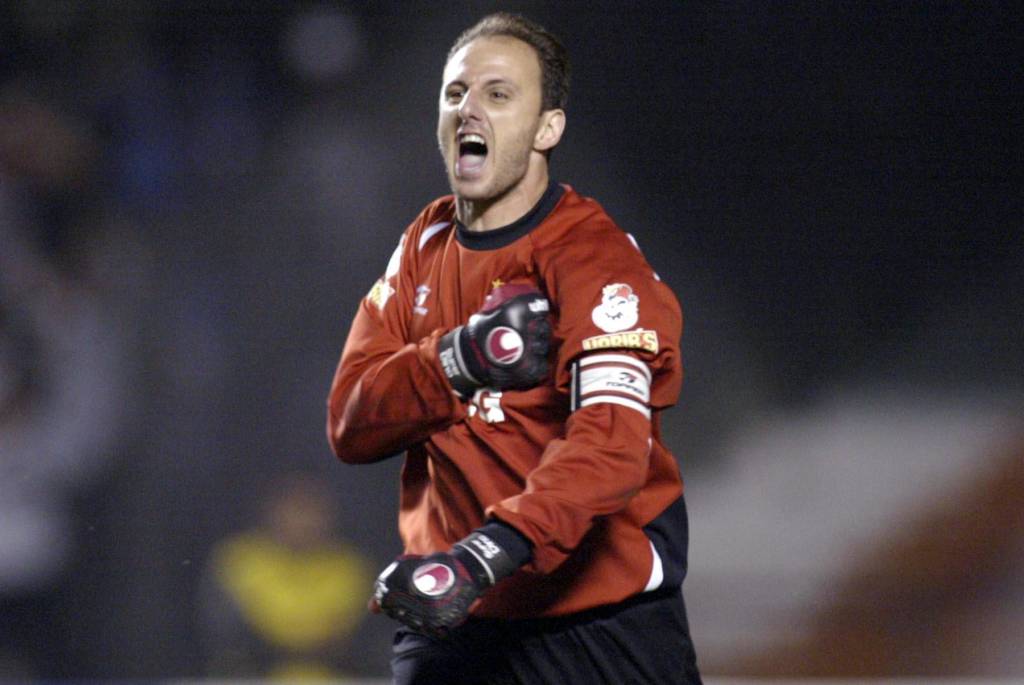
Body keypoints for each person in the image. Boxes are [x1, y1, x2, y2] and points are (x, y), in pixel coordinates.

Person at [326, 12, 701, 684]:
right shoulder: (424, 243)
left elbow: (610, 447)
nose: (469, 109)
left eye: (498, 94)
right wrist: (456, 361)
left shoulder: (594, 259)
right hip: (457, 622)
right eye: (455, 93)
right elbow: (351, 423)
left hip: (596, 626)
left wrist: (484, 555)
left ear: (547, 128)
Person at [198, 472, 374, 680]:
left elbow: (351, 639)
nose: (304, 521)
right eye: (296, 509)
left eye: (312, 510)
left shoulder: (350, 567)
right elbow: (228, 638)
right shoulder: (237, 560)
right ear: (272, 510)